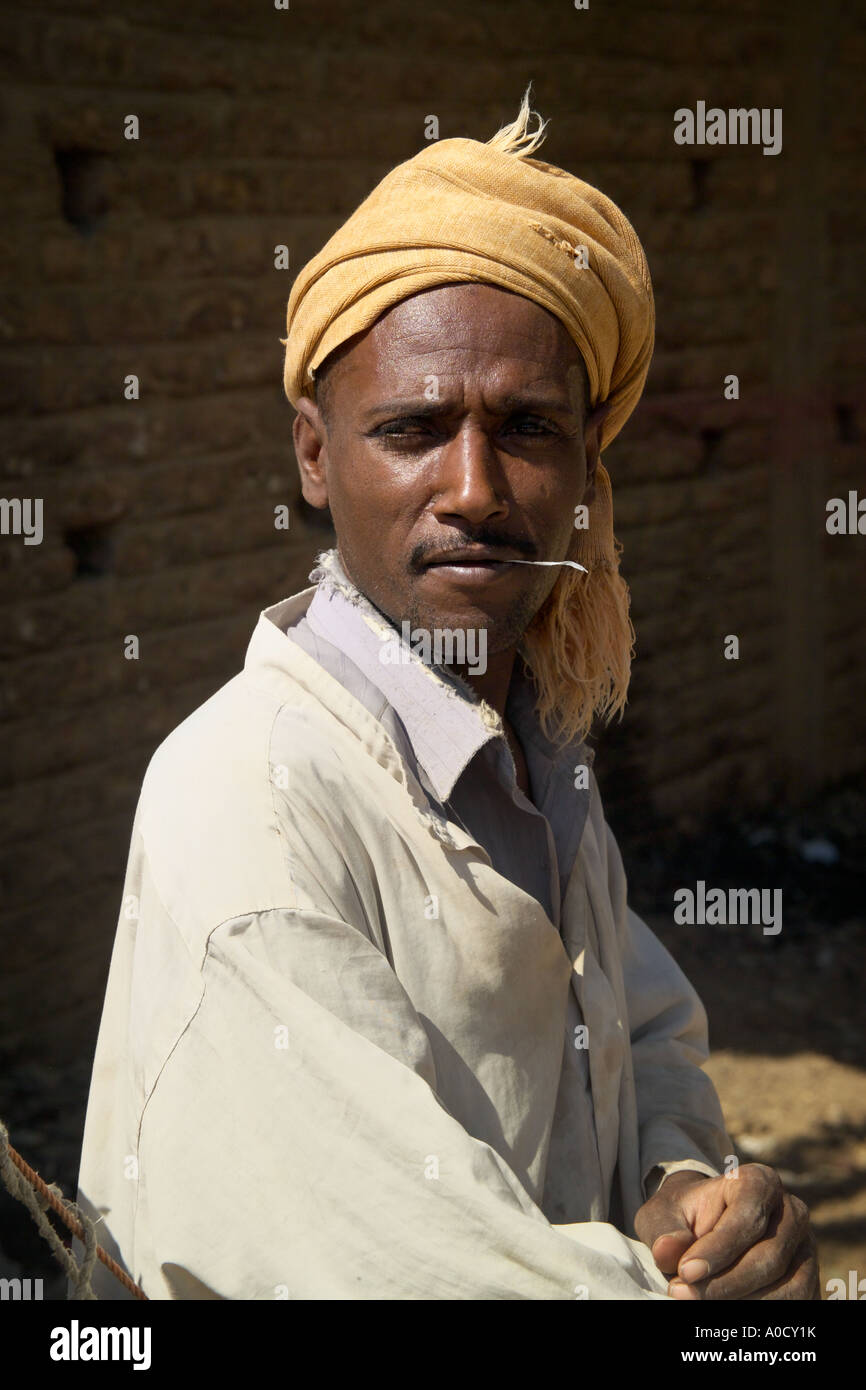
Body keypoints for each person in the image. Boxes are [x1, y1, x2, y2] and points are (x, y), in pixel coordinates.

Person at [75, 91, 818, 1300]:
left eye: (525, 427)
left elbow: (634, 1030)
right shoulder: (251, 803)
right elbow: (400, 1269)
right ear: (315, 456)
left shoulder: (531, 744)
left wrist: (685, 1190)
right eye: (414, 427)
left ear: (588, 465)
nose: (472, 488)